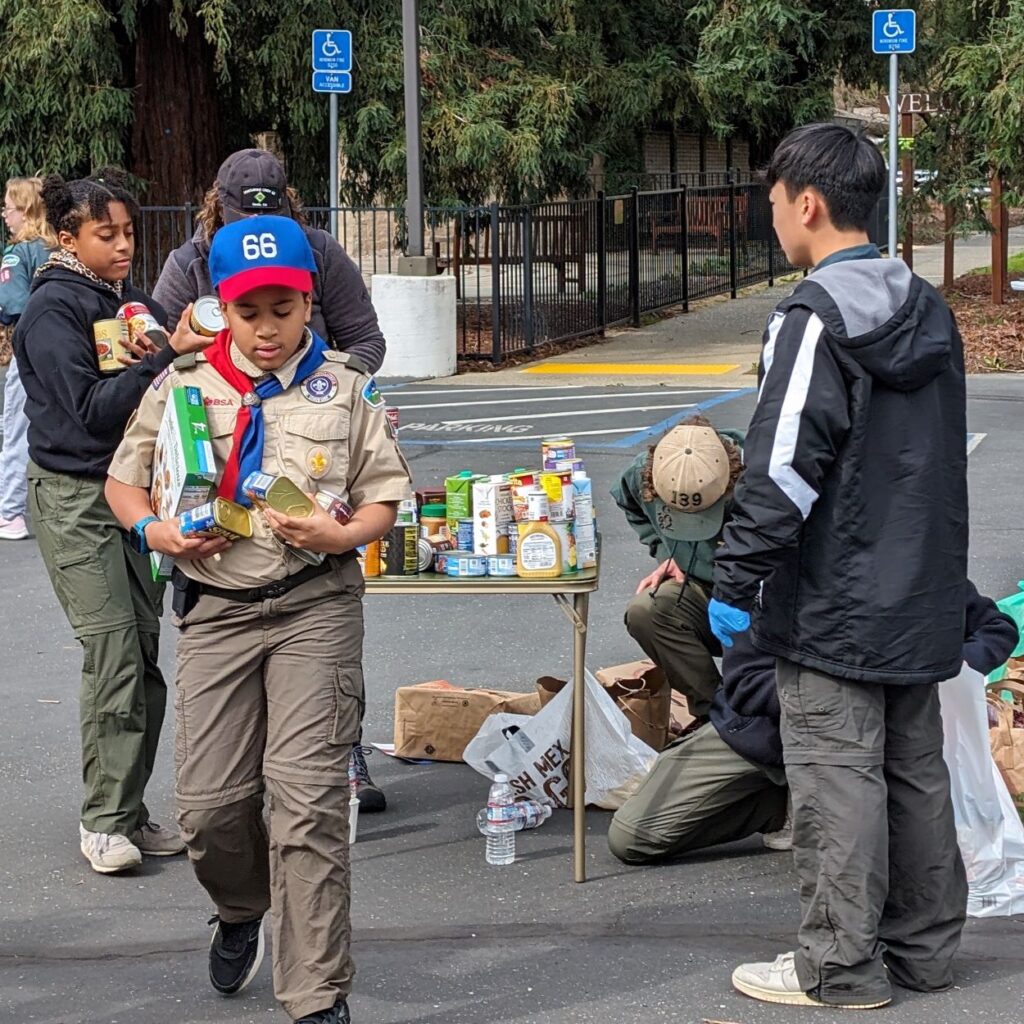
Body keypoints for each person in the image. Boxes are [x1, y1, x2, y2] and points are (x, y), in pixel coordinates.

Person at [106, 214, 412, 1024]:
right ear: (223, 309)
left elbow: (384, 494)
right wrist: (157, 531)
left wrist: (341, 533)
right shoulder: (181, 386)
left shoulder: (346, 387)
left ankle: (315, 997)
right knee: (210, 808)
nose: (267, 328)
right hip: (216, 613)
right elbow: (123, 485)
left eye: (284, 308)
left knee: (308, 806)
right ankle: (241, 907)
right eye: (249, 312)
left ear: (309, 303)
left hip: (315, 606)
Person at [708, 123, 970, 1009]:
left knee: (837, 775)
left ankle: (840, 967)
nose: (772, 215)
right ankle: (926, 952)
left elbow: (783, 467)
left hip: (834, 597)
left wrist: (734, 582)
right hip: (918, 588)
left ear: (808, 204)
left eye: (775, 201)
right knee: (913, 772)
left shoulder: (812, 317)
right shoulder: (927, 308)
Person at [153, 149, 389, 810]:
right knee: (221, 593)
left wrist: (316, 383)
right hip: (221, 438)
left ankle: (343, 752)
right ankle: (239, 768)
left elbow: (365, 341)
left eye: (271, 213)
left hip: (307, 442)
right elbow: (166, 359)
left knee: (322, 594)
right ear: (217, 207)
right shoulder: (189, 263)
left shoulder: (318, 251)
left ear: (288, 204)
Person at [13, 172, 209, 873]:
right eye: (108, 235)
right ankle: (103, 823)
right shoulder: (52, 310)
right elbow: (91, 409)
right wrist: (168, 355)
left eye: (129, 232)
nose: (125, 245)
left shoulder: (124, 297)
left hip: (133, 494)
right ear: (67, 238)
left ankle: (128, 811)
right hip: (73, 498)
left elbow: (165, 382)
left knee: (143, 659)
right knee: (114, 656)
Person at [609, 580, 1017, 866]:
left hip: (880, 737)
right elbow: (747, 686)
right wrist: (833, 690)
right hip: (774, 732)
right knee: (633, 837)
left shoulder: (905, 557)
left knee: (896, 855)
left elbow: (996, 627)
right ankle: (781, 802)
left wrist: (945, 671)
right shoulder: (770, 570)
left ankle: (824, 806)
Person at [612, 415, 744, 721]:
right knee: (646, 611)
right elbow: (631, 505)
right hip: (699, 586)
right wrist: (665, 552)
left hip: (760, 593)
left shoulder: (764, 476)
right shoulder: (641, 473)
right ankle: (714, 716)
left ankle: (761, 716)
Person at [0, 177, 55, 540]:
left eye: (9, 207)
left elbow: (12, 304)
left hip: (29, 352)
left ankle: (9, 511)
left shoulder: (16, 254)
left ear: (26, 211)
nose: (5, 214)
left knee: (17, 428)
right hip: (66, 349)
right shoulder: (59, 249)